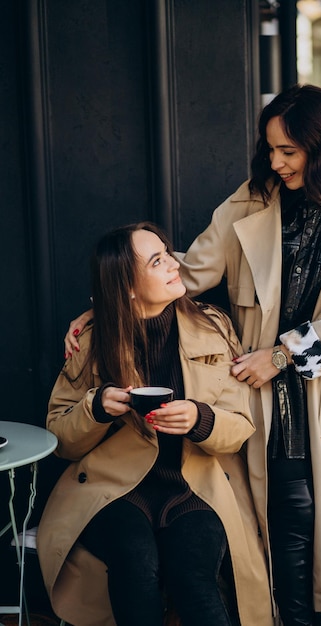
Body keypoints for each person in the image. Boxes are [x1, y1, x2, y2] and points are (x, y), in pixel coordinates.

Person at [64, 84, 321, 626]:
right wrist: (108, 305)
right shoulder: (252, 200)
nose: (275, 162)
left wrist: (283, 353)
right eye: (270, 149)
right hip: (257, 395)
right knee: (276, 530)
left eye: (288, 151)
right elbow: (189, 272)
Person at [38, 222, 274, 626]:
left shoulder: (212, 327)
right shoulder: (91, 340)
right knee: (135, 565)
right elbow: (58, 438)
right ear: (127, 286)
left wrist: (200, 419)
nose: (173, 263)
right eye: (157, 260)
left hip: (195, 485)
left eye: (167, 252)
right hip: (116, 489)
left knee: (194, 577)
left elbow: (241, 426)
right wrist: (96, 408)